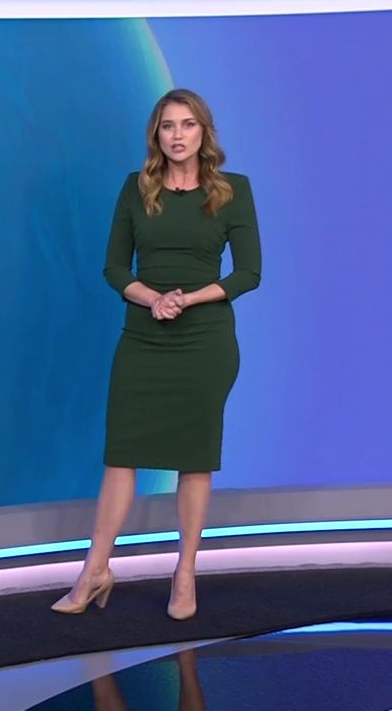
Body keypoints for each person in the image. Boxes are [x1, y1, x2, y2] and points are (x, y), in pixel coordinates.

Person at [52, 88, 262, 620]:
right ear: (156, 135)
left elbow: (248, 273)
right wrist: (153, 299)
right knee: (121, 454)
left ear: (203, 132)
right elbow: (114, 267)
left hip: (205, 342)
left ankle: (184, 572)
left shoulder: (233, 191)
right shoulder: (136, 188)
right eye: (168, 125)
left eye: (188, 124)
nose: (177, 135)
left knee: (195, 458)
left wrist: (187, 299)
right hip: (144, 337)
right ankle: (95, 570)